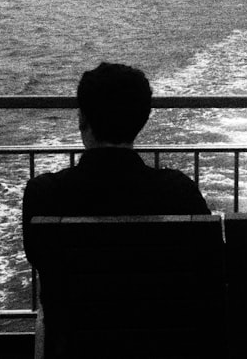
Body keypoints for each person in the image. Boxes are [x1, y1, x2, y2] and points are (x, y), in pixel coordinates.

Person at [21, 62, 209, 357]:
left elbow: (41, 259)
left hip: (77, 346)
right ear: (142, 120)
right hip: (160, 346)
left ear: (82, 119)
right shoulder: (179, 192)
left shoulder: (44, 195)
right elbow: (208, 265)